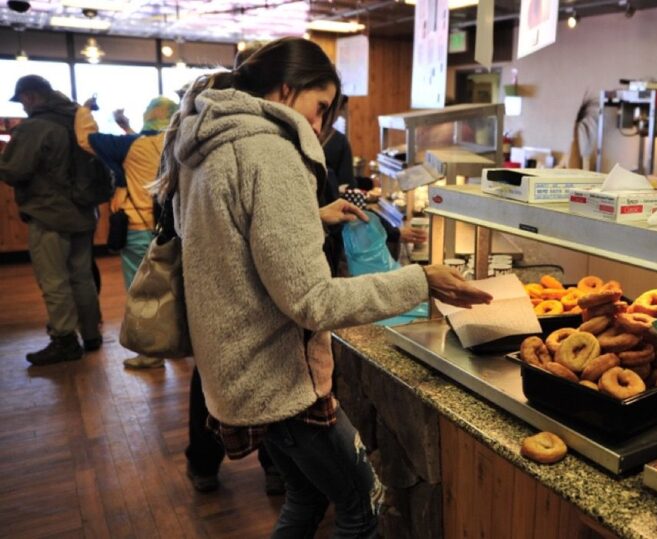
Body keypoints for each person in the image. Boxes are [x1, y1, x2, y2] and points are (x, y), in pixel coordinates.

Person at [155, 37, 492, 537]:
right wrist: (421, 280)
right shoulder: (269, 151)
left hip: (234, 368)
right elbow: (312, 300)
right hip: (280, 378)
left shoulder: (208, 138)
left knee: (306, 498)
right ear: (287, 89)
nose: (318, 127)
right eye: (318, 109)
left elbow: (230, 242)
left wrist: (312, 217)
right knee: (362, 506)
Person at [0, 75, 102, 366]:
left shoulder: (34, 127)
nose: (23, 107)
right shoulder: (77, 119)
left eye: (21, 101)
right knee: (82, 276)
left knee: (54, 280)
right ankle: (91, 335)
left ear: (31, 97)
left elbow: (13, 171)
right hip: (84, 211)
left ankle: (64, 340)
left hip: (49, 214)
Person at [75, 96, 178, 369]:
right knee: (175, 289)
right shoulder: (175, 142)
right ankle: (179, 346)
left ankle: (151, 352)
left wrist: (85, 110)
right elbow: (146, 143)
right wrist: (126, 126)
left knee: (141, 293)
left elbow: (87, 139)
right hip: (172, 229)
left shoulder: (129, 145)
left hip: (136, 228)